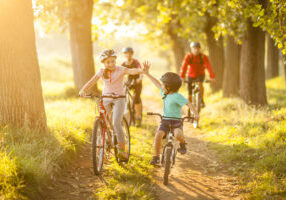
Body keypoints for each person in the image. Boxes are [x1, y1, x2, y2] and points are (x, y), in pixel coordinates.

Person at [79, 49, 143, 161]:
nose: (111, 64)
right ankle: (107, 140)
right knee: (104, 119)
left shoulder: (121, 69)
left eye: (113, 61)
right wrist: (83, 90)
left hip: (119, 98)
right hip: (106, 98)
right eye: (108, 62)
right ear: (103, 63)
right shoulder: (101, 71)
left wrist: (143, 70)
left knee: (116, 123)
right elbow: (92, 81)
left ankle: (122, 151)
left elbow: (132, 71)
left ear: (115, 60)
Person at [142, 61, 198, 165]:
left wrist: (196, 114)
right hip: (165, 120)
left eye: (163, 84)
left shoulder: (177, 96)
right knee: (158, 135)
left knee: (178, 135)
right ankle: (156, 157)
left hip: (177, 122)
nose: (161, 85)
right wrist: (147, 73)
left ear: (169, 86)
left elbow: (189, 104)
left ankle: (182, 144)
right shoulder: (164, 92)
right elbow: (156, 83)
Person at [180, 42, 215, 107]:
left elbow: (208, 66)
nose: (196, 50)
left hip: (200, 74)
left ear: (200, 49)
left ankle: (201, 100)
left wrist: (212, 77)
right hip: (190, 75)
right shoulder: (188, 56)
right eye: (194, 48)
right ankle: (190, 110)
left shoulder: (203, 57)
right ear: (191, 49)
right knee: (189, 95)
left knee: (200, 84)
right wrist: (182, 76)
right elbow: (184, 67)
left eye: (197, 48)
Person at [121, 47, 143, 127]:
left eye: (130, 53)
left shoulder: (136, 62)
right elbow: (120, 74)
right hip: (129, 82)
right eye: (126, 53)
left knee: (136, 98)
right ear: (124, 55)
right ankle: (125, 116)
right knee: (123, 96)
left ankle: (138, 117)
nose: (128, 55)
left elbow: (140, 71)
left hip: (137, 82)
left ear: (132, 54)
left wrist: (140, 78)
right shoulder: (123, 64)